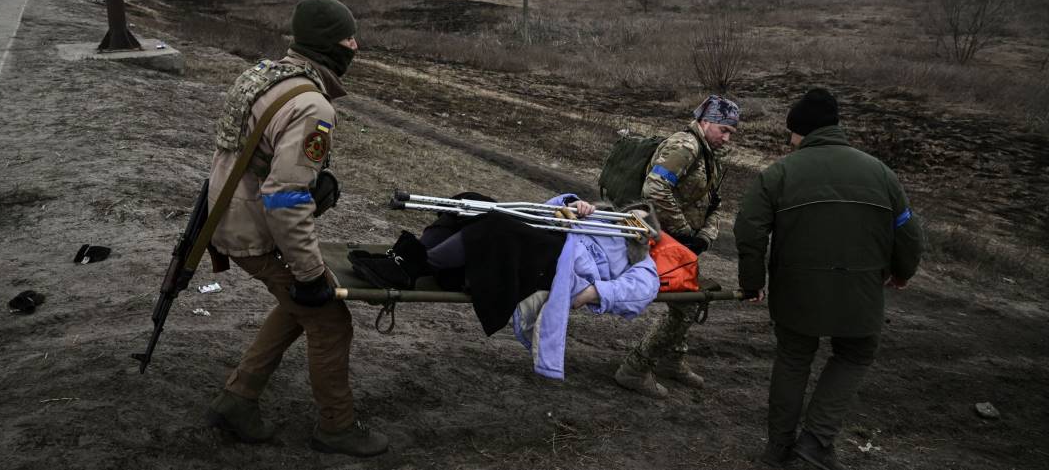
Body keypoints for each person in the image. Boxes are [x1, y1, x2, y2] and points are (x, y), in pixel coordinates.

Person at [205, 0, 388, 457]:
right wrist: (310, 274)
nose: (356, 47)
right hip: (253, 227)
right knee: (329, 320)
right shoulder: (312, 106)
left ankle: (238, 399)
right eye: (349, 37)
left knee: (296, 308)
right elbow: (285, 197)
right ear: (330, 44)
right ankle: (337, 427)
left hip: (232, 213)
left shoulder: (267, 75)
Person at [733, 88, 922, 470]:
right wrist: (902, 273)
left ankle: (778, 450)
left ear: (801, 132)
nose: (790, 141)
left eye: (792, 133)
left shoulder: (780, 172)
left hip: (796, 292)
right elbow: (908, 231)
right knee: (855, 354)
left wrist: (753, 282)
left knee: (793, 359)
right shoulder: (881, 173)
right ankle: (815, 442)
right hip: (862, 292)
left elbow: (749, 228)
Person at [352, 194, 662, 380]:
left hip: (554, 265)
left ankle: (416, 263)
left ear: (647, 235)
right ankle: (410, 262)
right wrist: (571, 204)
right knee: (470, 201)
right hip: (544, 241)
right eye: (626, 218)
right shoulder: (599, 218)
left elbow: (643, 289)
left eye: (636, 225)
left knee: (499, 225)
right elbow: (543, 209)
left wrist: (590, 294)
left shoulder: (640, 261)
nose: (627, 225)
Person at [615, 95, 739, 398]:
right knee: (686, 304)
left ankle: (671, 358)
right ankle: (635, 367)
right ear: (705, 122)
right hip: (660, 242)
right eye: (723, 129)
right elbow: (654, 188)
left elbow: (712, 203)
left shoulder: (709, 154)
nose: (726, 137)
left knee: (690, 300)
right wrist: (684, 233)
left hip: (680, 245)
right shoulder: (685, 147)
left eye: (731, 132)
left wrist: (704, 237)